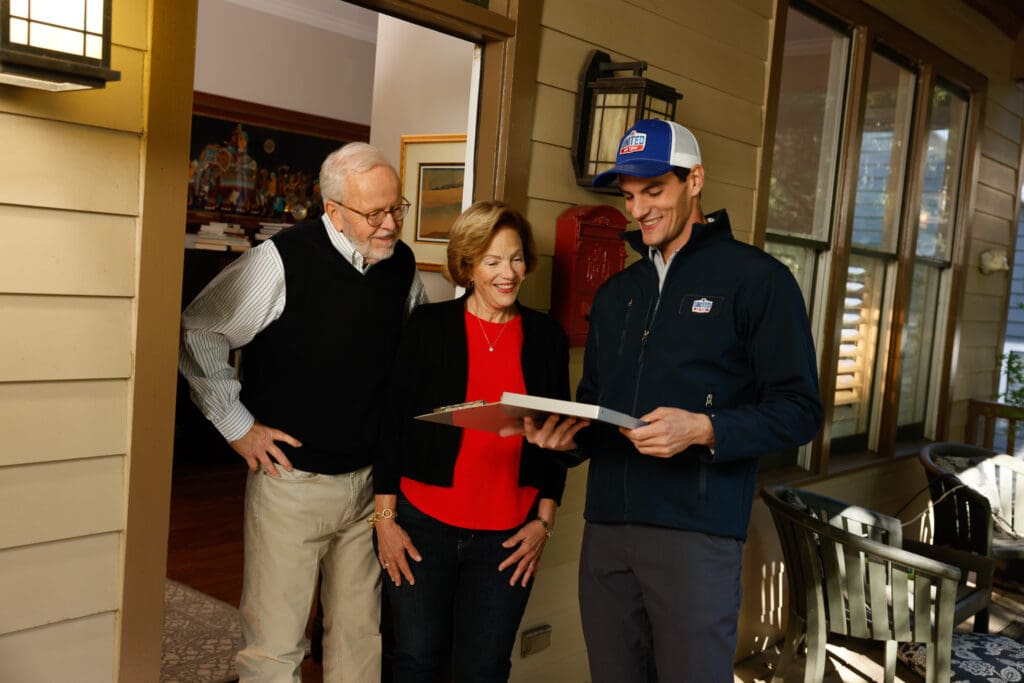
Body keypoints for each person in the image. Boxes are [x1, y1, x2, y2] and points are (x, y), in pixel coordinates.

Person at [523, 119, 824, 682]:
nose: (639, 210)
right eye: (629, 196)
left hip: (696, 532)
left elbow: (801, 410)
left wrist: (705, 428)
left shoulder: (759, 280)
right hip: (607, 530)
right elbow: (596, 403)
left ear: (695, 181)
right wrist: (562, 441)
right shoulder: (617, 295)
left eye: (654, 191)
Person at [180, 142, 426, 682]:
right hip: (290, 482)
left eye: (397, 208)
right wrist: (238, 427)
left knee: (360, 640)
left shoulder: (402, 265)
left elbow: (413, 359)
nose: (390, 225)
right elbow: (200, 330)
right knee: (274, 648)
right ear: (333, 210)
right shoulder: (280, 259)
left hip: (369, 486)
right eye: (374, 214)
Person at [371, 200, 582, 682]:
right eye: (493, 261)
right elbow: (393, 426)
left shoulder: (546, 338)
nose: (508, 273)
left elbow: (557, 440)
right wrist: (385, 520)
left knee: (484, 670)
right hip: (423, 526)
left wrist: (544, 522)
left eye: (516, 259)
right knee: (415, 660)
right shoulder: (429, 327)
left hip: (508, 536)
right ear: (467, 267)